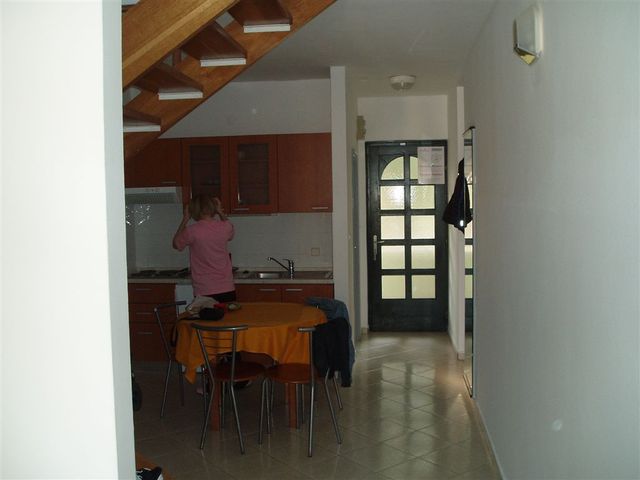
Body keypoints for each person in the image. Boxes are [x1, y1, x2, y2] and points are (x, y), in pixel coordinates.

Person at [173, 194, 236, 302]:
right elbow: (231, 233)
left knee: (206, 314)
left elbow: (176, 244)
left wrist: (185, 219)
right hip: (226, 286)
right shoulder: (225, 227)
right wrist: (220, 211)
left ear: (194, 210)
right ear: (213, 207)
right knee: (227, 313)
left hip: (204, 288)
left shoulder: (192, 231)